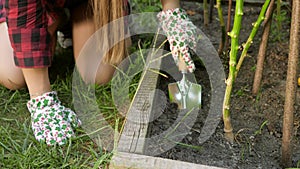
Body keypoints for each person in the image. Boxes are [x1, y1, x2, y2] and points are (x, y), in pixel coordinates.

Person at [0, 0, 198, 146]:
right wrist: (41, 100)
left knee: (99, 73)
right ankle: (55, 18)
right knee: (12, 75)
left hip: (95, 3)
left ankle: (74, 22)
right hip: (34, 6)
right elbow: (23, 11)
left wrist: (172, 13)